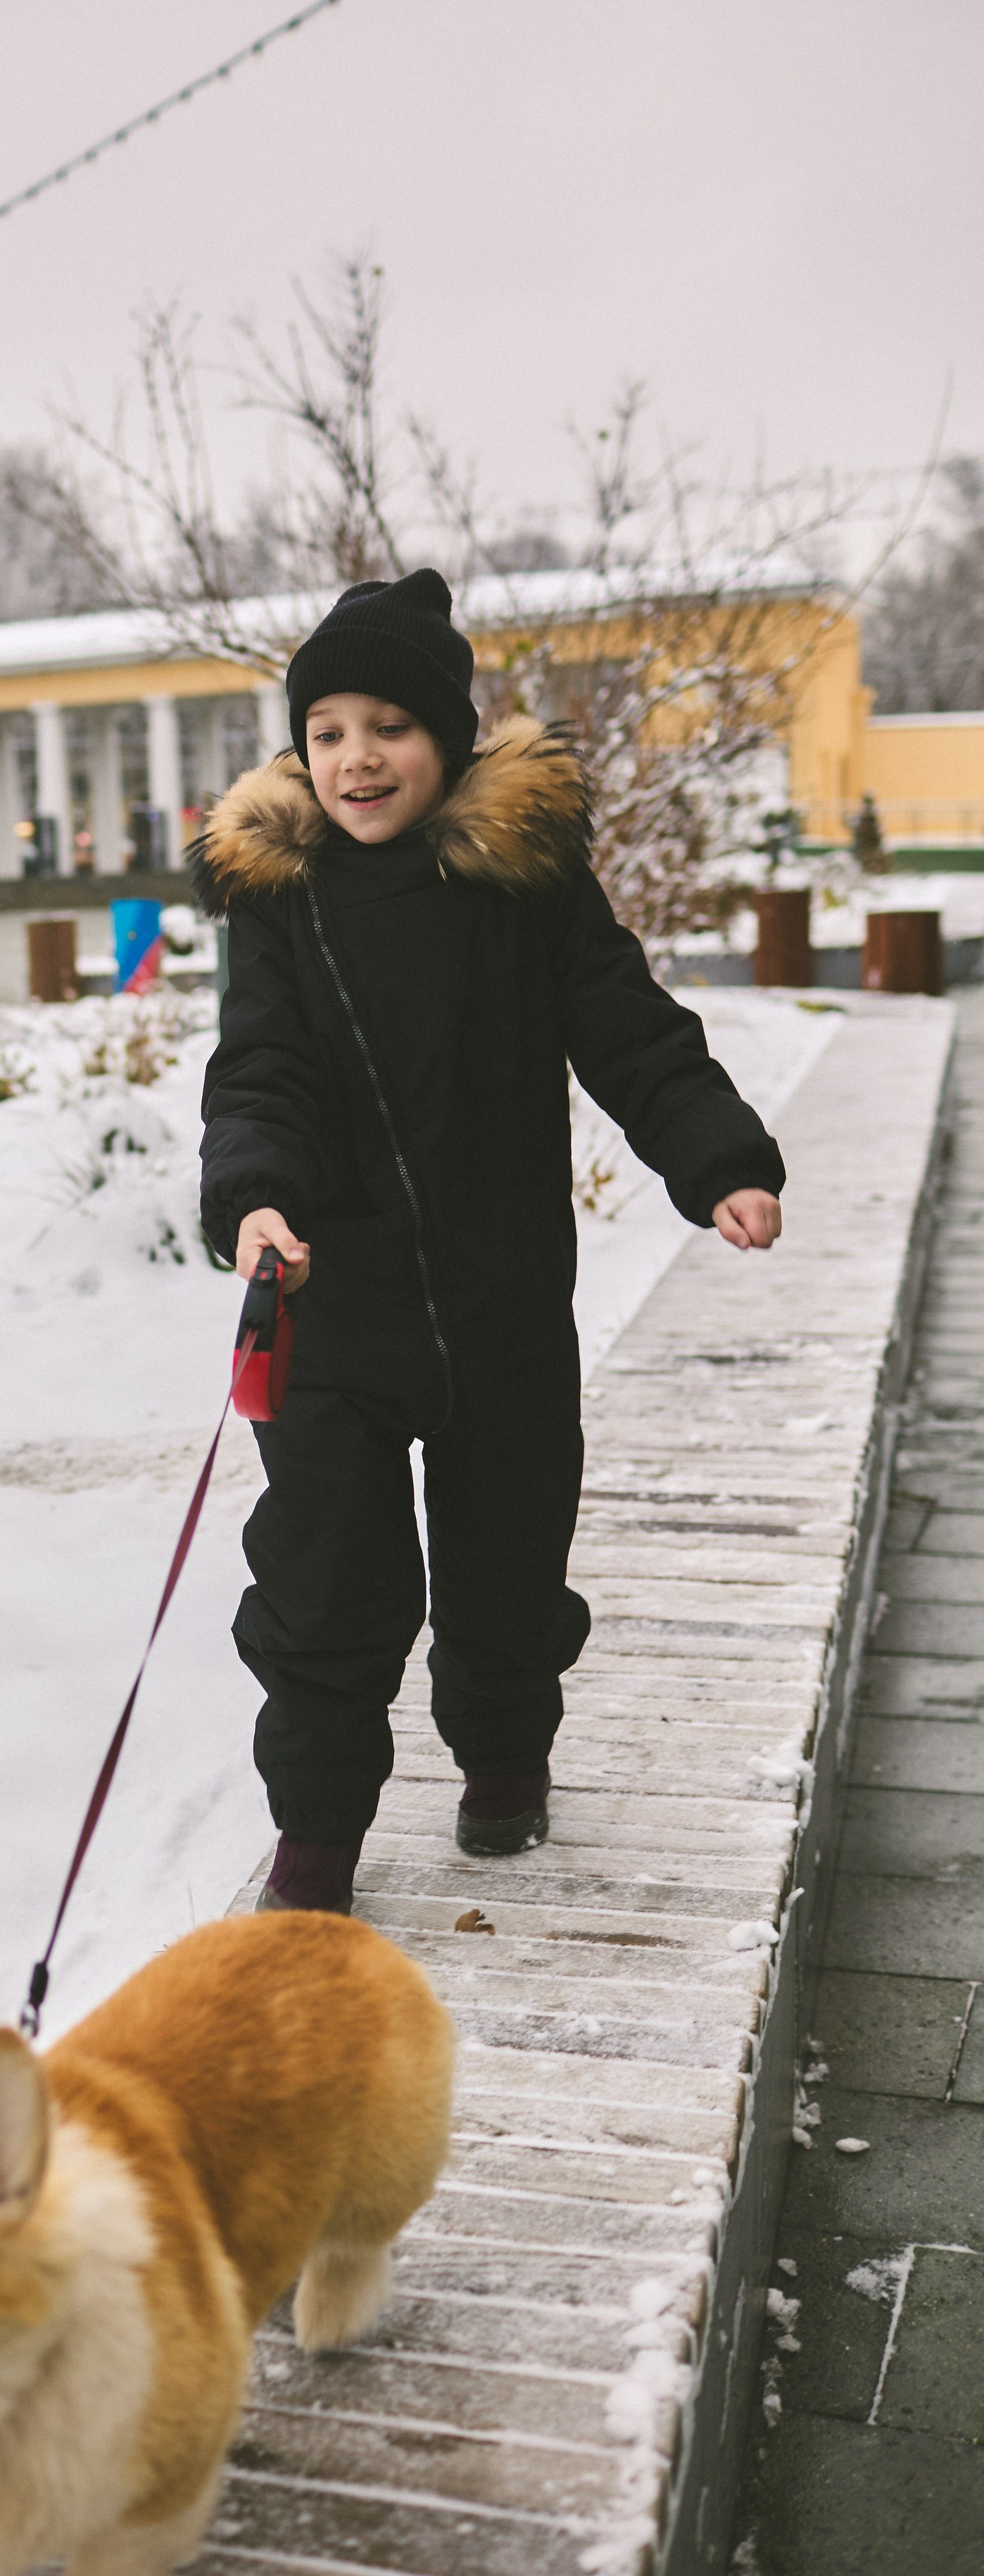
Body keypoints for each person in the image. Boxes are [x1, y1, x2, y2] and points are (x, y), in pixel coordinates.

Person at [194, 573, 785, 1915]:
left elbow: (631, 1031)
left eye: (390, 727)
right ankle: (318, 1836)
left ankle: (506, 1760)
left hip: (502, 1299)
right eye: (328, 731)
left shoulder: (523, 882)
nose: (357, 758)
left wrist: (720, 1160)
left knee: (508, 1564)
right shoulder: (283, 899)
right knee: (325, 1579)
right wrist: (256, 1196)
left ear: (451, 739)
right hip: (331, 1301)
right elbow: (261, 1070)